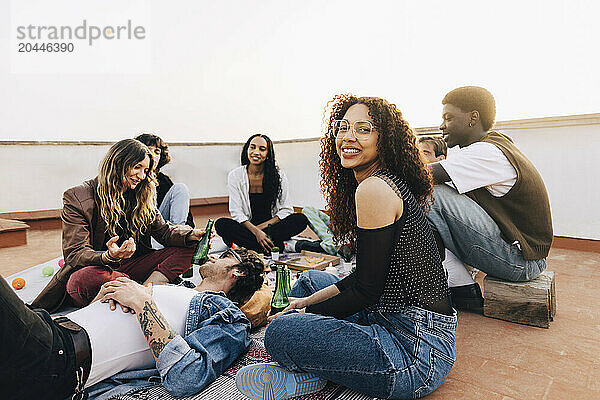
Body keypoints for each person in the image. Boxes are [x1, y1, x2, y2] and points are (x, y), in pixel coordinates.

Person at [236, 95, 456, 400]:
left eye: (364, 129)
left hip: (413, 352)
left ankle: (306, 372)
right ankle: (314, 362)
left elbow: (365, 291)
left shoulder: (374, 188)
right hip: (390, 314)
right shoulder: (381, 181)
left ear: (386, 140)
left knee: (278, 333)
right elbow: (363, 280)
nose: (349, 136)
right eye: (343, 127)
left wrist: (306, 311)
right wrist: (305, 305)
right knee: (311, 282)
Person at [1, 247, 264, 400]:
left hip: (57, 358)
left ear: (238, 271)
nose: (215, 256)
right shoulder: (179, 289)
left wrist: (142, 303)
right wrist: (97, 302)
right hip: (50, 330)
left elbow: (187, 378)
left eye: (227, 255)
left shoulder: (228, 316)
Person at [31, 139, 206, 311]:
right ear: (118, 163)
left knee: (190, 246)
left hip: (135, 268)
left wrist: (191, 235)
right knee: (83, 280)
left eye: (146, 170)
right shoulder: (77, 197)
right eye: (137, 167)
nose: (142, 176)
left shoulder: (142, 194)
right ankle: (134, 290)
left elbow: (164, 232)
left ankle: (141, 293)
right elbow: (75, 253)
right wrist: (108, 256)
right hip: (101, 270)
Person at [426, 86, 553, 311]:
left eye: (448, 117)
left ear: (473, 118)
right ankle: (451, 277)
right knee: (436, 195)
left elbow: (422, 176)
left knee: (427, 193)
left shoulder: (487, 152)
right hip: (525, 257)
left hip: (520, 262)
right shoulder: (493, 145)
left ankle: (460, 286)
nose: (442, 125)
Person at [215, 134, 309, 254]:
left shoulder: (279, 176)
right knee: (221, 224)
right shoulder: (235, 176)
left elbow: (286, 209)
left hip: (271, 228)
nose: (256, 152)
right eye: (252, 147)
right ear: (247, 150)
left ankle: (252, 246)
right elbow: (236, 212)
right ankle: (276, 246)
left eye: (262, 149)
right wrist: (255, 232)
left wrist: (260, 230)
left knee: (300, 219)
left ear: (268, 154)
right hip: (247, 227)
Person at [135, 134, 195, 250]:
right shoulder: (132, 178)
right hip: (143, 235)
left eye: (157, 152)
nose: (152, 154)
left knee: (180, 188)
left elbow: (186, 216)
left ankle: (178, 238)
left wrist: (188, 233)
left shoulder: (164, 180)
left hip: (164, 231)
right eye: (148, 150)